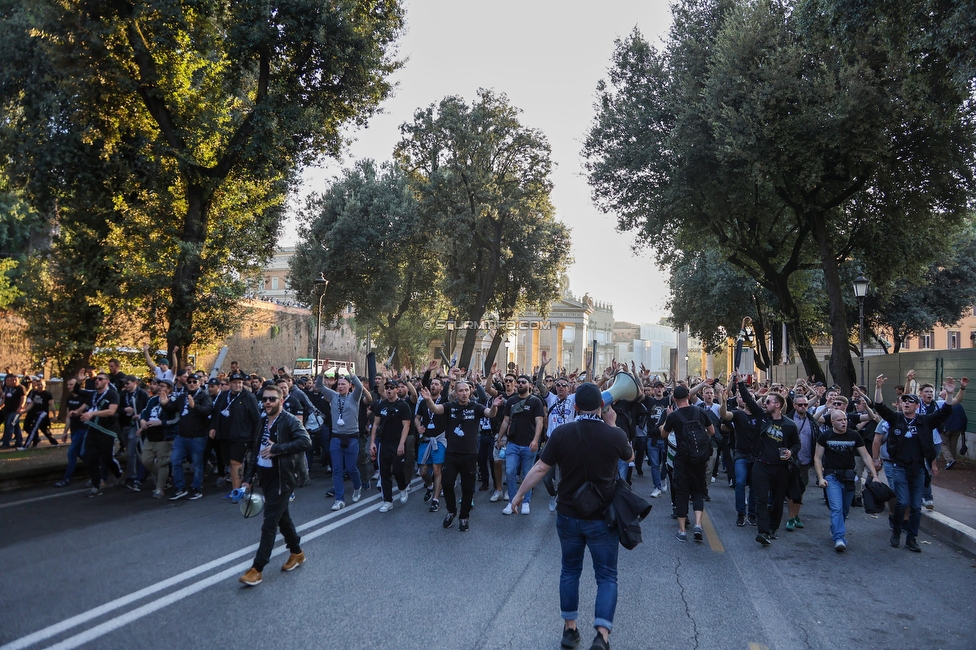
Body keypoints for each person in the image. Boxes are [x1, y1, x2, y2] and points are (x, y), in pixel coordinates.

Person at [510, 383, 633, 650]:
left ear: (575, 407)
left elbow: (541, 467)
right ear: (602, 407)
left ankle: (570, 630)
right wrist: (612, 425)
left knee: (569, 571)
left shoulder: (563, 432)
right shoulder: (615, 435)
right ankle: (602, 635)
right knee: (607, 576)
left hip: (568, 514)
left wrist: (519, 493)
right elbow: (630, 455)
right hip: (603, 517)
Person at [873, 374, 966, 552]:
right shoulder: (896, 419)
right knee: (902, 502)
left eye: (910, 401)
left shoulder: (925, 421)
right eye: (904, 401)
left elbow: (944, 412)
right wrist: (878, 388)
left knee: (916, 506)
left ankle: (911, 538)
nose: (906, 403)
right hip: (899, 467)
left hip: (918, 469)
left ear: (917, 406)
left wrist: (949, 394)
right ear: (901, 404)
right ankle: (896, 532)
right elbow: (879, 407)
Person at [238, 384, 312, 587]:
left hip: (283, 478)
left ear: (281, 400)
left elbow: (306, 441)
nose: (267, 402)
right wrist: (248, 477)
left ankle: (257, 569)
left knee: (269, 523)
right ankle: (297, 553)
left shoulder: (288, 421)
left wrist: (277, 449)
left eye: (272, 399)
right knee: (283, 519)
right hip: (266, 477)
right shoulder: (262, 421)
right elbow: (256, 451)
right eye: (265, 399)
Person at [420, 381, 503, 532]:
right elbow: (435, 409)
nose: (464, 393)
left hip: (470, 454)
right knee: (447, 484)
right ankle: (451, 511)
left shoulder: (476, 407)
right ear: (456, 393)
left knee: (467, 488)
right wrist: (428, 400)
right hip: (451, 454)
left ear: (470, 392)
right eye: (461, 391)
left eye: (466, 390)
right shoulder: (450, 406)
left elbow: (490, 414)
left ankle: (464, 516)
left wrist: (495, 405)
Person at [813, 410, 878, 552]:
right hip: (832, 476)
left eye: (845, 419)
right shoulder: (825, 436)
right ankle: (839, 537)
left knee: (845, 509)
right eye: (840, 420)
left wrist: (874, 474)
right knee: (836, 507)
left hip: (849, 477)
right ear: (832, 422)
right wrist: (820, 478)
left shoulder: (854, 435)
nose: (844, 422)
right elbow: (817, 458)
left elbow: (866, 456)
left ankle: (835, 528)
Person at [661, 385, 714, 542]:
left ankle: (682, 531)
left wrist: (668, 417)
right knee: (698, 491)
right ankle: (698, 524)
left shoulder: (674, 416)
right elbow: (712, 431)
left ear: (675, 400)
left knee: (682, 493)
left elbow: (663, 434)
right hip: (699, 459)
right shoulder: (700, 412)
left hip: (682, 459)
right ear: (689, 397)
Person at [209, 372, 262, 500]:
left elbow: (256, 419)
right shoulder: (224, 396)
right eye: (235, 382)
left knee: (235, 462)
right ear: (230, 384)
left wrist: (256, 437)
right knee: (230, 463)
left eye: (240, 382)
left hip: (242, 436)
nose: (237, 385)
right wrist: (213, 427)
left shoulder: (248, 397)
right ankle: (237, 487)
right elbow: (216, 413)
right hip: (225, 435)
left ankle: (237, 491)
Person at [498, 375, 545, 515]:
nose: (519, 384)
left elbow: (539, 422)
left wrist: (536, 440)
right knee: (510, 472)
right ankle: (512, 501)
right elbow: (506, 421)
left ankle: (525, 502)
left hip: (529, 444)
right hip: (512, 443)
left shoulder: (536, 401)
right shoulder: (511, 401)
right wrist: (500, 438)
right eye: (518, 382)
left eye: (523, 382)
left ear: (529, 385)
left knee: (527, 475)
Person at [369, 380, 412, 512]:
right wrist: (372, 443)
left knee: (398, 470)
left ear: (396, 390)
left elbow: (406, 426)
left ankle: (402, 487)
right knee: (384, 472)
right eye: (386, 388)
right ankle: (387, 500)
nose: (388, 390)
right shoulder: (381, 406)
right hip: (384, 443)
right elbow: (375, 425)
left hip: (398, 443)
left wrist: (401, 444)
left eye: (391, 388)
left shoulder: (403, 405)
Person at [170, 374, 213, 500]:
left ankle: (196, 488)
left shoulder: (204, 396)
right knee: (175, 461)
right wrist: (164, 403)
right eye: (189, 381)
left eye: (195, 381)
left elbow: (208, 411)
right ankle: (180, 487)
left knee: (197, 464)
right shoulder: (183, 396)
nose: (192, 383)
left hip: (197, 437)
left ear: (199, 383)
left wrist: (195, 406)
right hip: (181, 436)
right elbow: (171, 408)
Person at [23, 377, 58, 447]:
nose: (39, 386)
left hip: (42, 413)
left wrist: (54, 416)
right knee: (44, 429)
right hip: (34, 413)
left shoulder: (47, 394)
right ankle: (54, 442)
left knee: (34, 427)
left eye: (41, 384)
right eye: (38, 385)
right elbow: (32, 403)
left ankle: (25, 446)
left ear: (44, 385)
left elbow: (52, 405)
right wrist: (24, 410)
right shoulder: (35, 393)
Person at [1, 372, 27, 449]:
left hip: (16, 410)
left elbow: (23, 398)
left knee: (10, 424)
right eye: (13, 380)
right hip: (7, 410)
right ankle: (19, 442)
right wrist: (1, 405)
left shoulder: (20, 388)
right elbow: (5, 398)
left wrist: (20, 407)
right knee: (15, 426)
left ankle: (6, 442)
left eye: (16, 380)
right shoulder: (8, 388)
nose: (14, 381)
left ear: (18, 380)